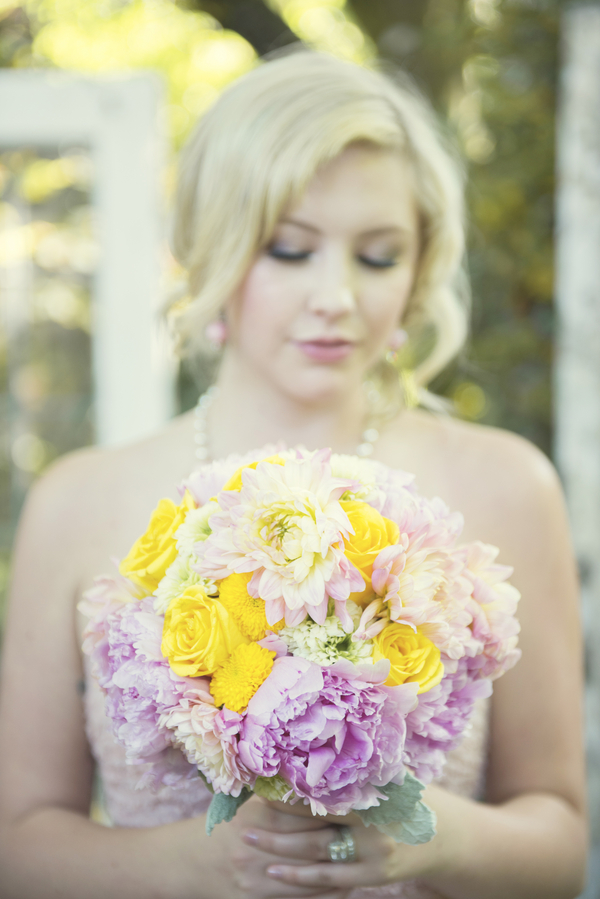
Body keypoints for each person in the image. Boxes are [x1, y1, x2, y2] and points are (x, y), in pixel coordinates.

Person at [0, 48, 587, 899]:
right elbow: (18, 849)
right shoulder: (78, 502)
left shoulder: (508, 487)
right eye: (289, 249)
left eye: (378, 257)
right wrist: (203, 863)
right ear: (212, 253)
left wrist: (431, 839)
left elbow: (562, 844)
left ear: (420, 270)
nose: (337, 296)